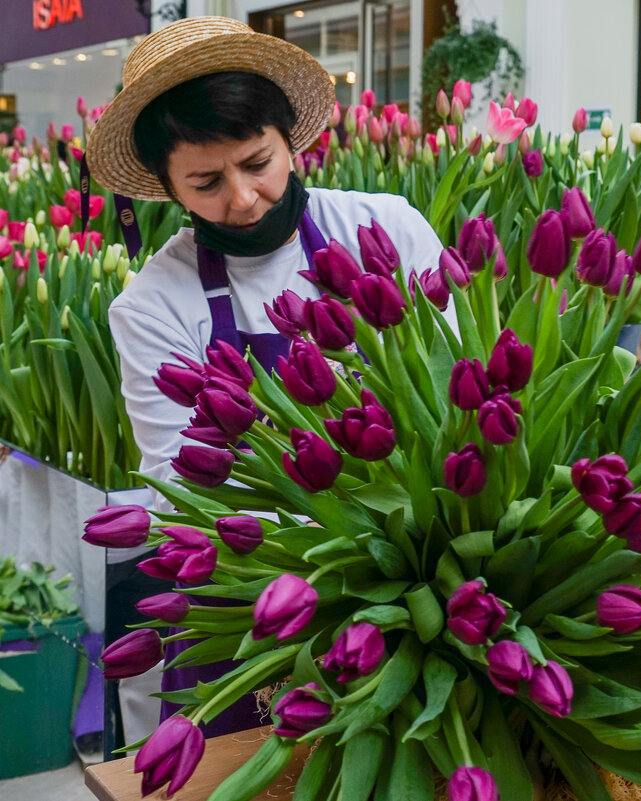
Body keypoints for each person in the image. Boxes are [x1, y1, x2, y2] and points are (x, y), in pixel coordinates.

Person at [85, 18, 445, 740]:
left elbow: (462, 388)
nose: (244, 198)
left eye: (257, 161)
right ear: (166, 186)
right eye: (207, 182)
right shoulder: (155, 304)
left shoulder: (384, 230)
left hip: (430, 567)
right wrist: (333, 554)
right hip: (257, 589)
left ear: (290, 139)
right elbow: (180, 483)